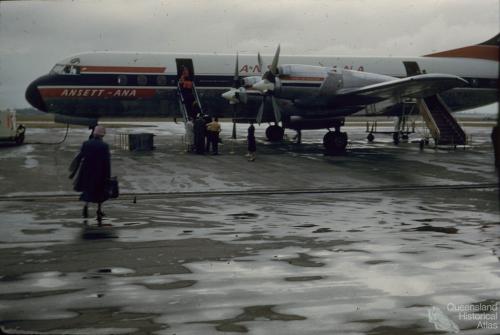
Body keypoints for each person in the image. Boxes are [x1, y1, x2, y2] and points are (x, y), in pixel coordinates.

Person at [70, 125, 111, 221]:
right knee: (100, 191)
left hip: (87, 171)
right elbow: (107, 162)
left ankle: (85, 207)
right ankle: (99, 210)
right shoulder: (104, 146)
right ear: (103, 135)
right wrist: (108, 176)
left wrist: (74, 171)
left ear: (94, 134)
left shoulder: (86, 143)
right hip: (100, 172)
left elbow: (80, 157)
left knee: (88, 190)